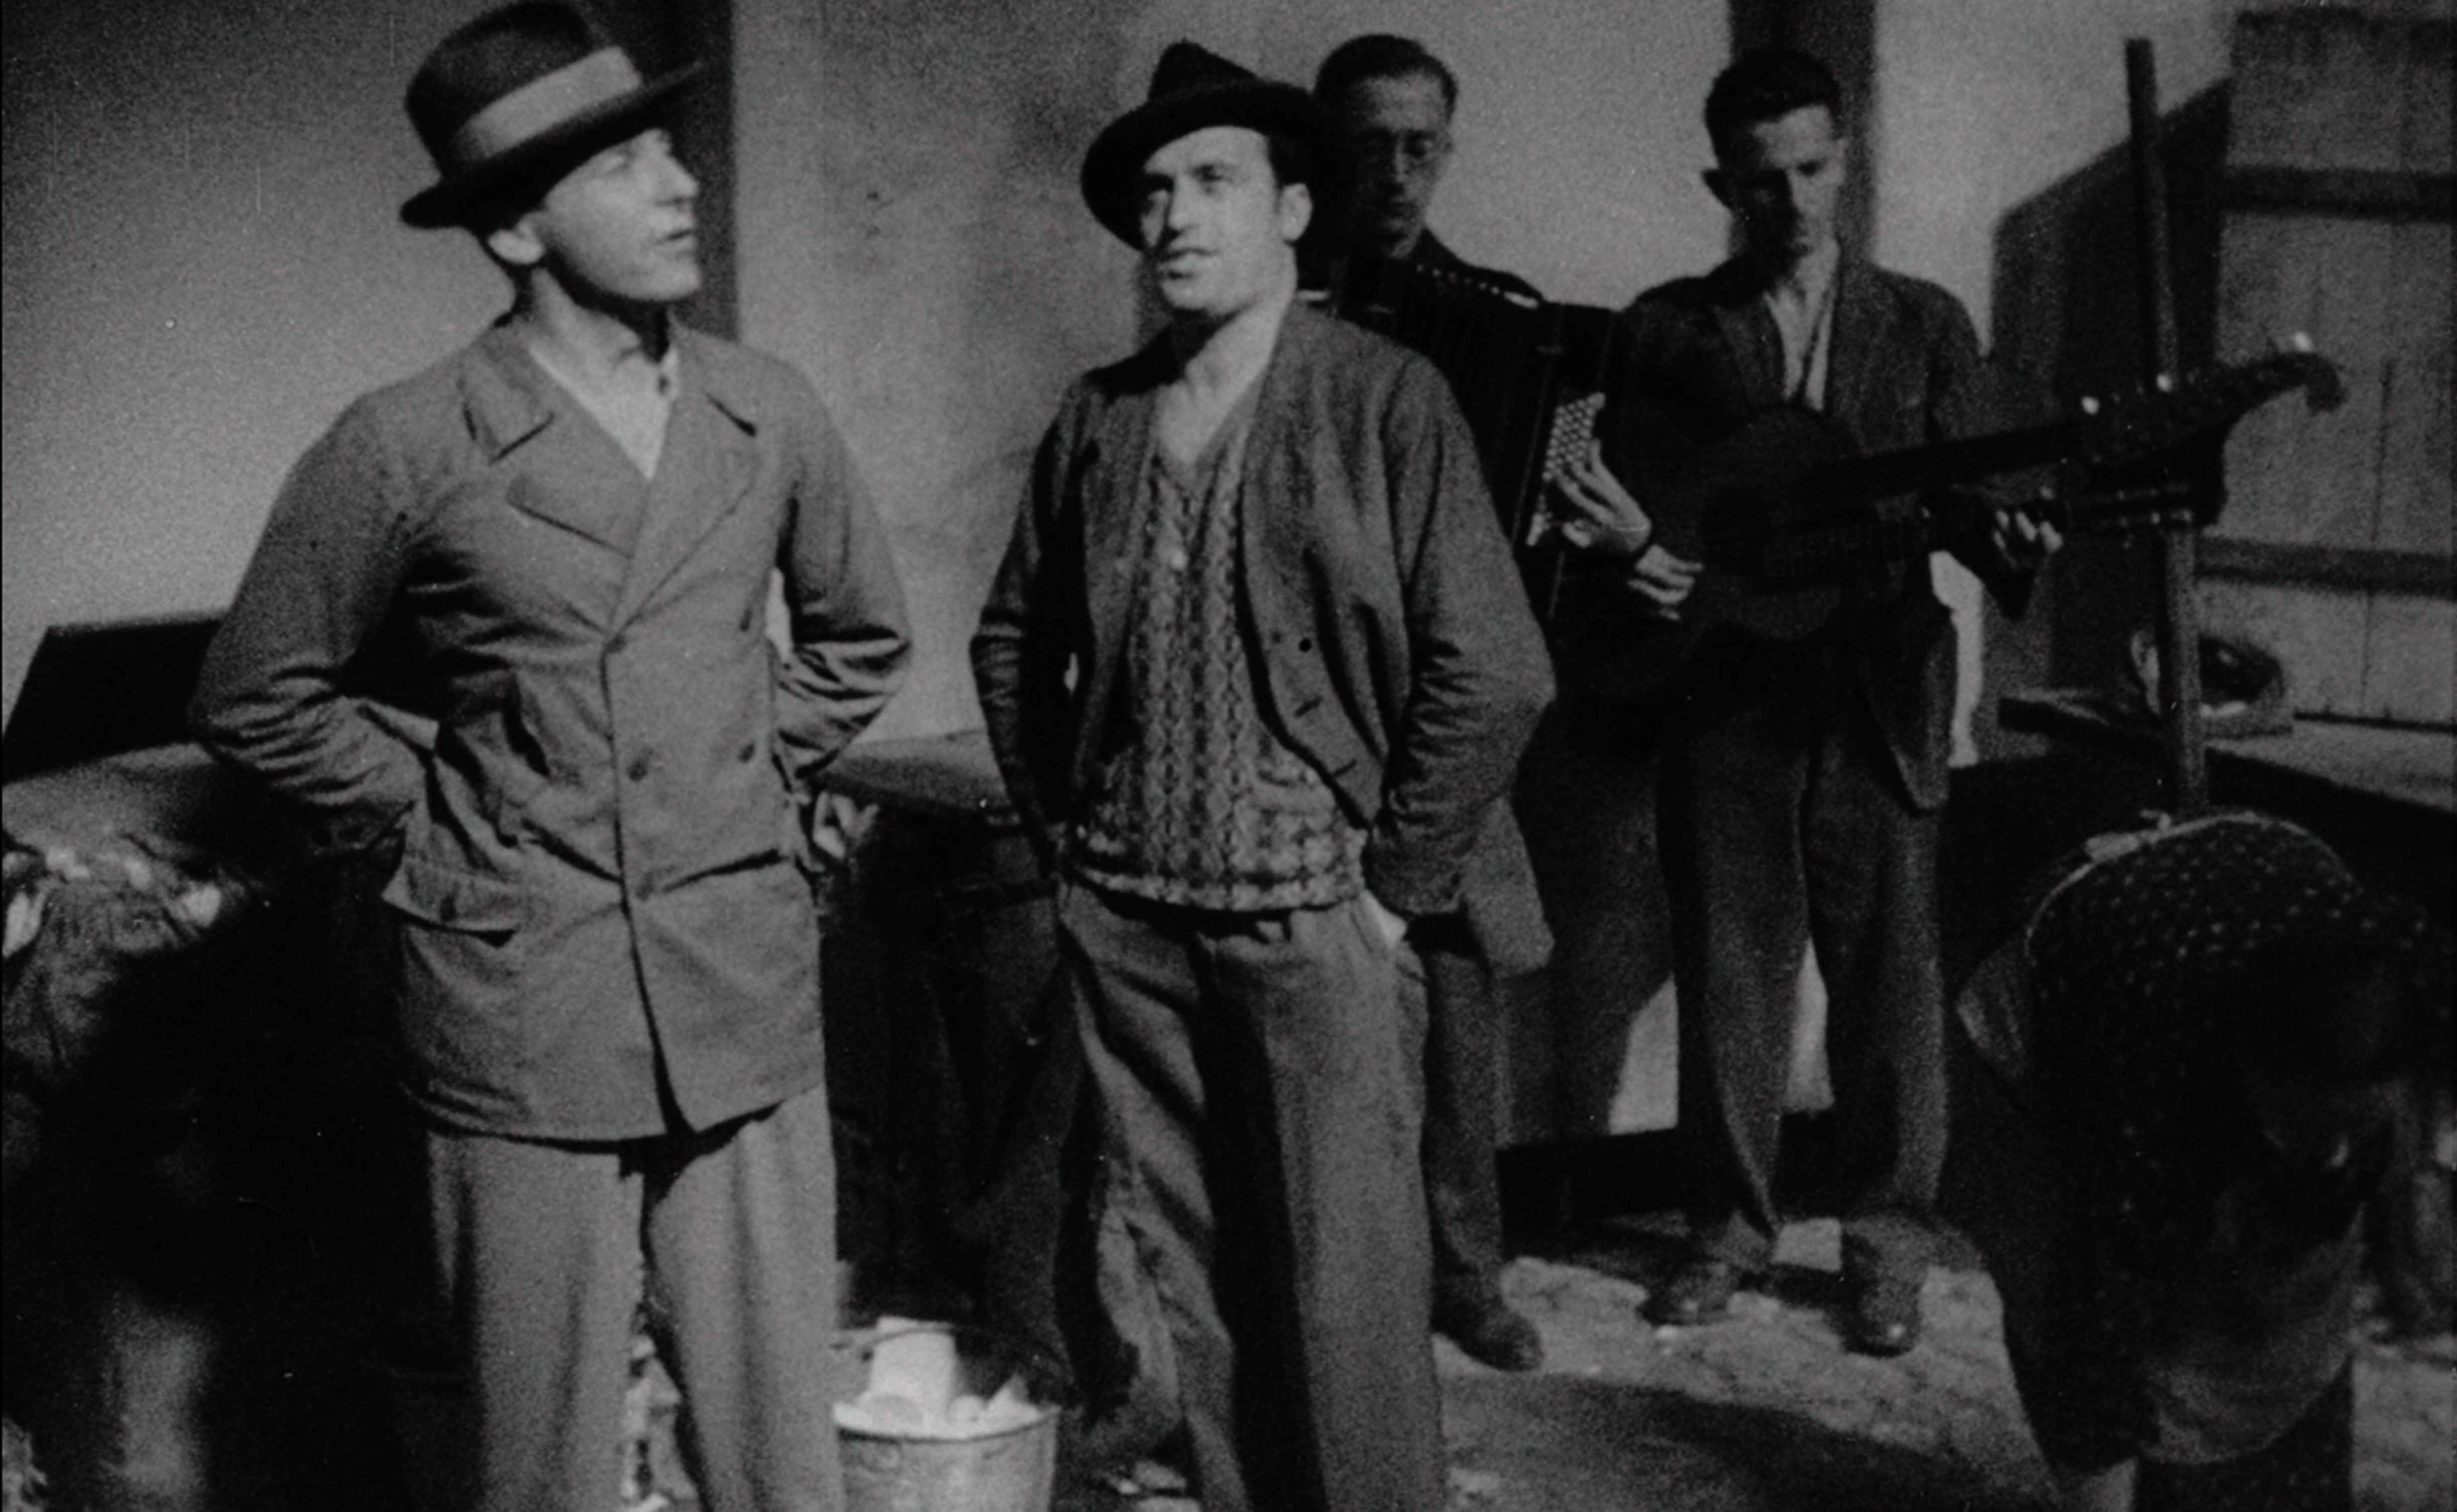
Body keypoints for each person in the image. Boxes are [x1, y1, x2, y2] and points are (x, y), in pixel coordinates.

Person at [188, 6, 911, 1508]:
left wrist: (736, 773)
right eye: (623, 162)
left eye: (668, 150)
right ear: (517, 228)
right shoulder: (408, 443)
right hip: (520, 998)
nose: (679, 184)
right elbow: (258, 695)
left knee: (783, 1459)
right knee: (537, 1464)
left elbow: (860, 638)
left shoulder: (765, 409)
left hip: (736, 976)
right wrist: (447, 818)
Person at [970, 42, 1552, 1512]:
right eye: (1154, 192)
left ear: (1295, 210)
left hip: (1315, 926)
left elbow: (1499, 669)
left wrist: (1388, 894)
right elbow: (1008, 639)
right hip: (1132, 929)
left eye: (1213, 182)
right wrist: (1068, 845)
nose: (1173, 216)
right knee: (1199, 1285)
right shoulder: (1100, 415)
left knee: (1346, 1307)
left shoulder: (1383, 398)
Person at [1546, 46, 2056, 1352]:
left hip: (1878, 688)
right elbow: (1600, 503)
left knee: (1890, 987)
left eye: (1813, 169)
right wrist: (1633, 554)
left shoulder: (1924, 323)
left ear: (1848, 159)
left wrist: (2015, 537)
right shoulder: (1665, 329)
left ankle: (1887, 1248)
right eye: (1762, 179)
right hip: (1720, 693)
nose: (1792, 202)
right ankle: (1725, 1235)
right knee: (1733, 974)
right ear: (1721, 184)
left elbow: (1984, 505)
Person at [1940, 812, 2457, 1512]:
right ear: (2251, 1070)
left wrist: (2435, 1185)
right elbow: (2088, 1329)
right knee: (2085, 1306)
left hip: (2251, 864)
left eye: (2358, 1124)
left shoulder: (2430, 982)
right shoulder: (2153, 1081)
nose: (2336, 1153)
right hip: (2053, 991)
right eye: (2308, 1125)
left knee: (2290, 1295)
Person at [1312, 31, 1550, 1374]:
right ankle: (1345, 1281)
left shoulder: (1502, 319)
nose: (1396, 176)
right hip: (1313, 702)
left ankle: (1467, 1274)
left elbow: (1521, 572)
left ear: (1447, 152)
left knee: (1457, 1006)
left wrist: (1570, 521)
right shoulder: (1272, 300)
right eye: (1368, 149)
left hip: (1438, 707)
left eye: (1419, 148)